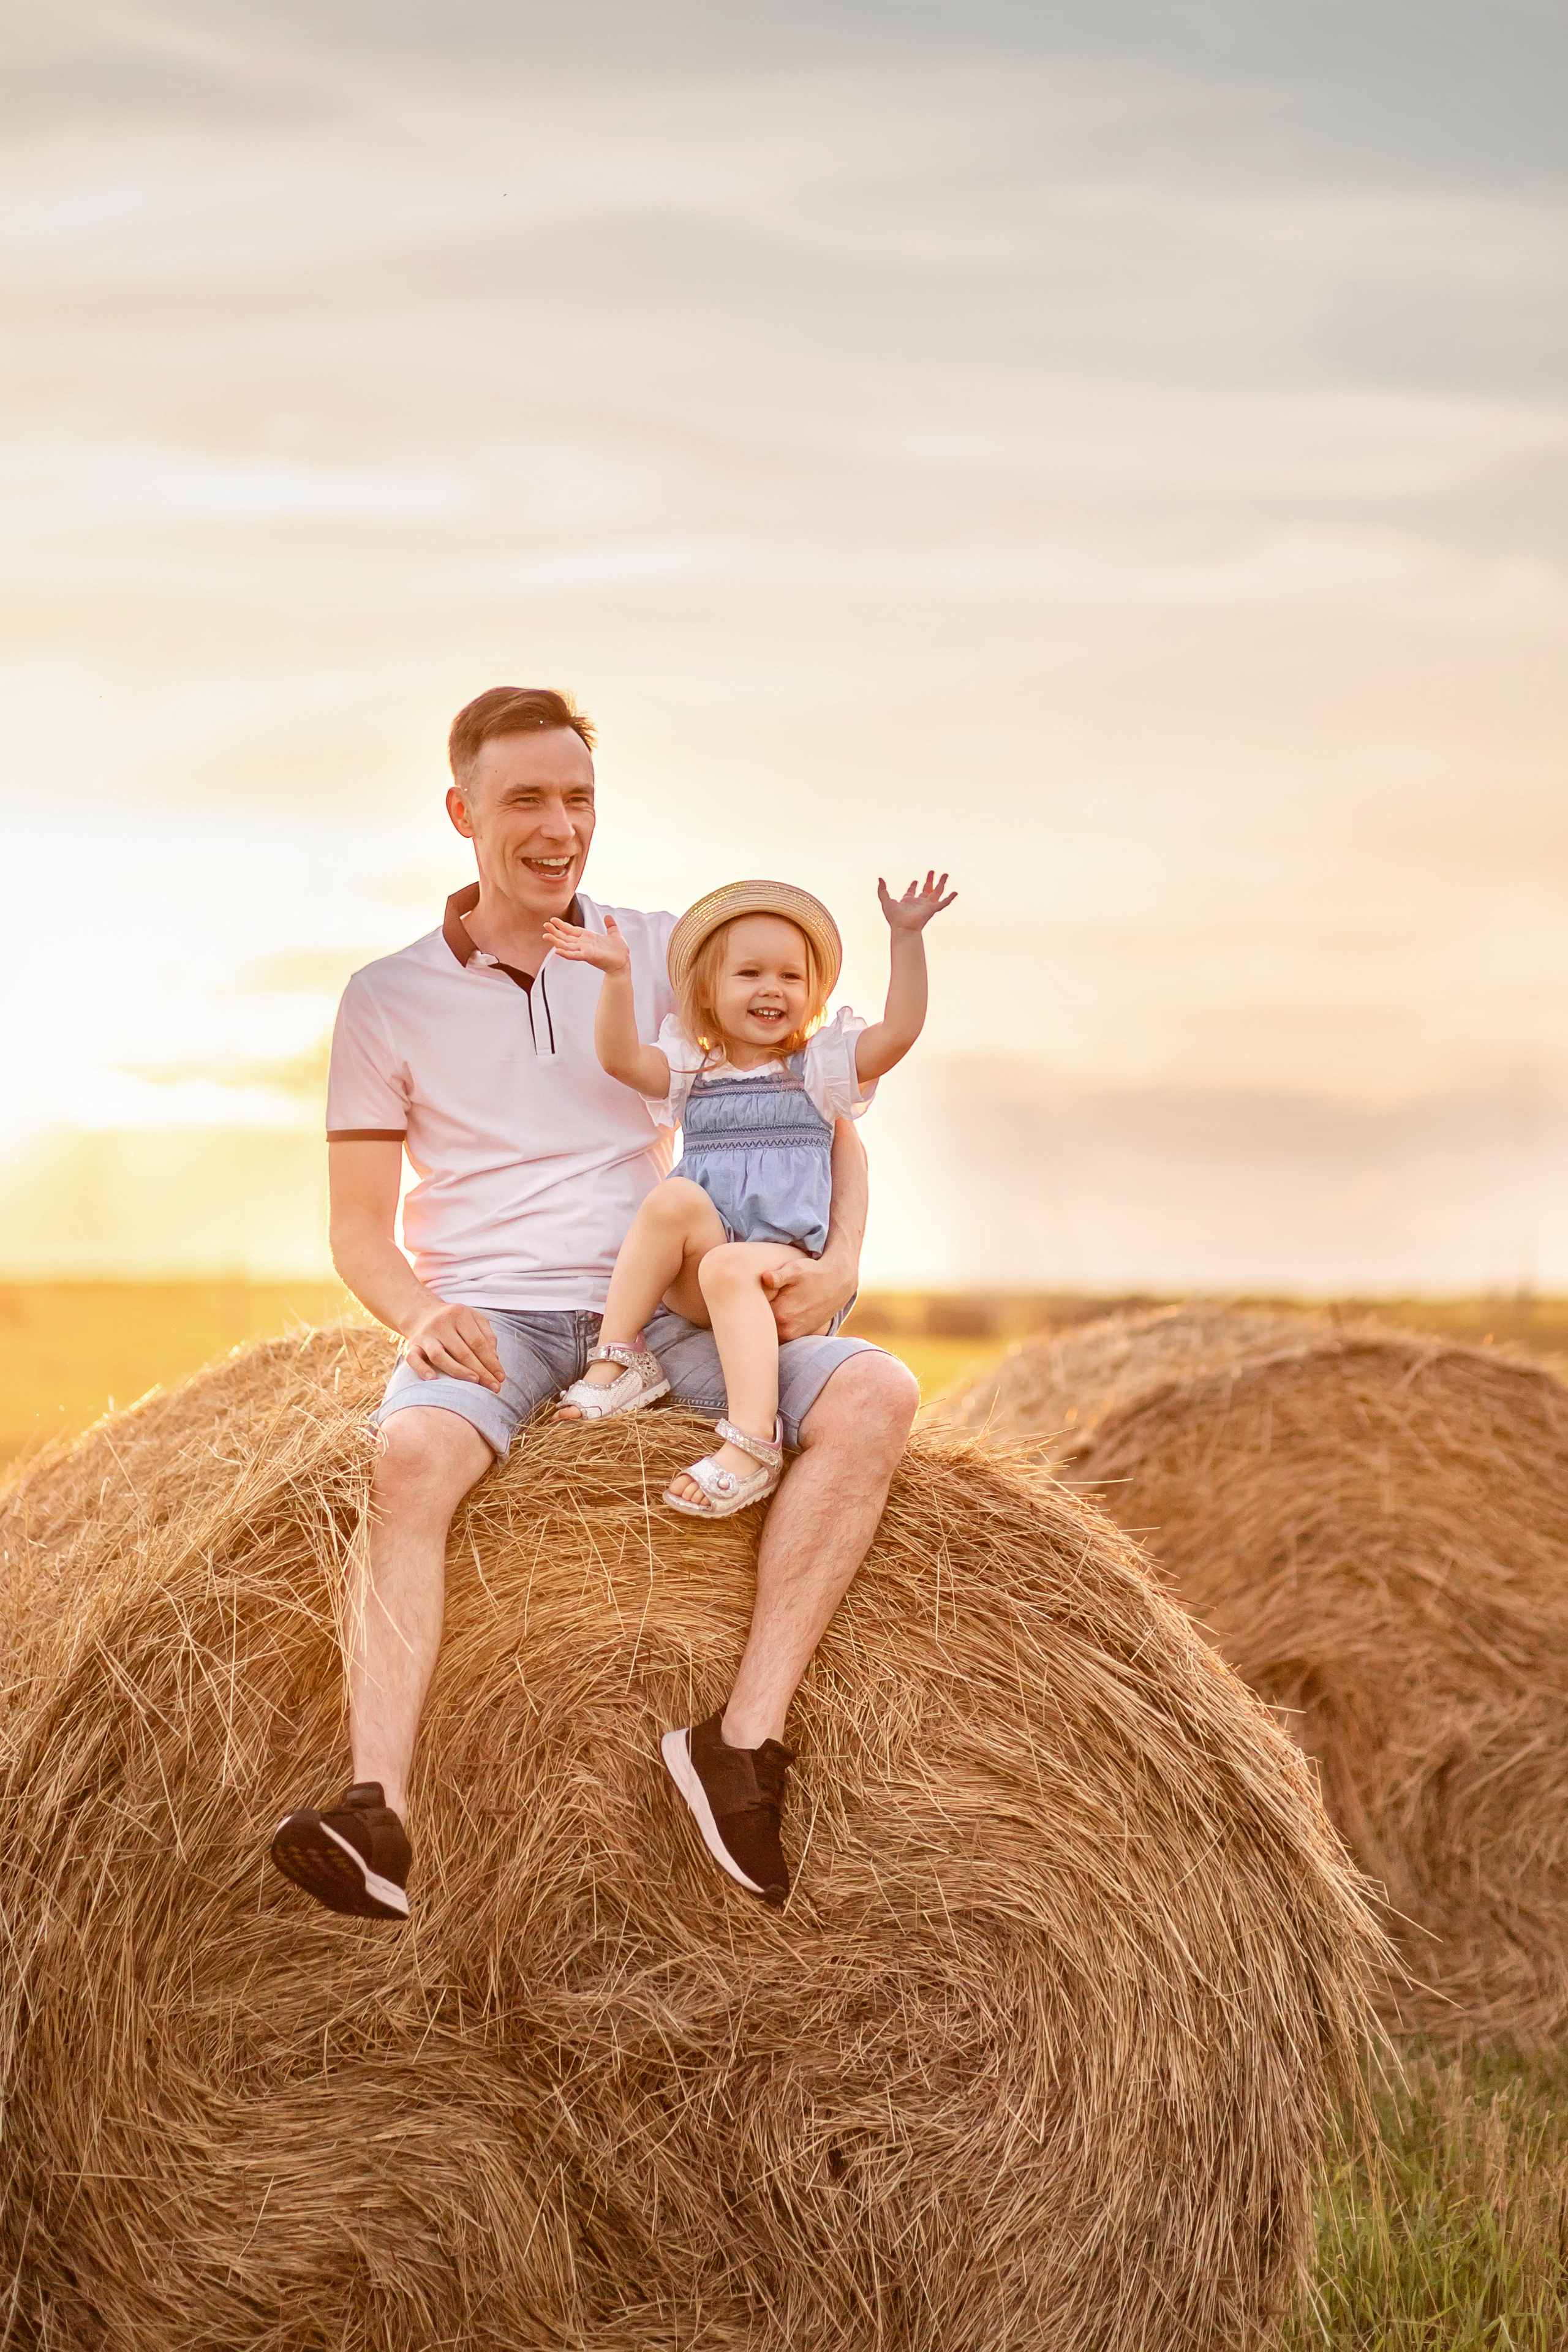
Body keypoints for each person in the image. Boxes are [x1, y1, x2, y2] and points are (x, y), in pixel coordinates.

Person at [268, 686, 919, 1923]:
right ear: (462, 813)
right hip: (496, 1316)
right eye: (527, 798)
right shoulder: (386, 998)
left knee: (877, 1393)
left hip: (671, 1309)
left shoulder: (669, 949)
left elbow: (815, 1093)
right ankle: (374, 1809)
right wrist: (416, 1312)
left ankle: (742, 1744)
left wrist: (841, 1260)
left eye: (579, 798)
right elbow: (356, 1224)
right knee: (409, 1459)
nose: (560, 826)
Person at [543, 873, 954, 1528]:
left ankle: (753, 1442)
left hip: (782, 1278)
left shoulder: (820, 1071)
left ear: (813, 993)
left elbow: (900, 1031)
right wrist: (616, 976)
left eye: (791, 977)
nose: (772, 988)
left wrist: (906, 938)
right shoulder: (692, 1070)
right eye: (750, 973)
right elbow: (620, 1059)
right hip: (705, 1277)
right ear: (708, 990)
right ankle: (619, 1361)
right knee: (674, 1199)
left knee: (730, 1266)